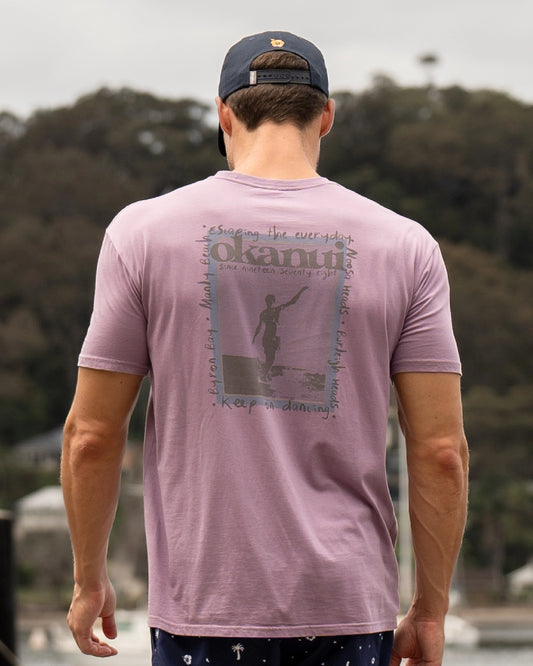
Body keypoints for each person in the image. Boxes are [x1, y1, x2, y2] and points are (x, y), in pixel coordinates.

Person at [61, 31, 468, 666]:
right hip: (348, 609)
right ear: (326, 116)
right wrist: (430, 608)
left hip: (205, 608)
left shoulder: (142, 234)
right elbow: (442, 452)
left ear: (223, 114)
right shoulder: (406, 246)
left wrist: (89, 578)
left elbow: (90, 435)